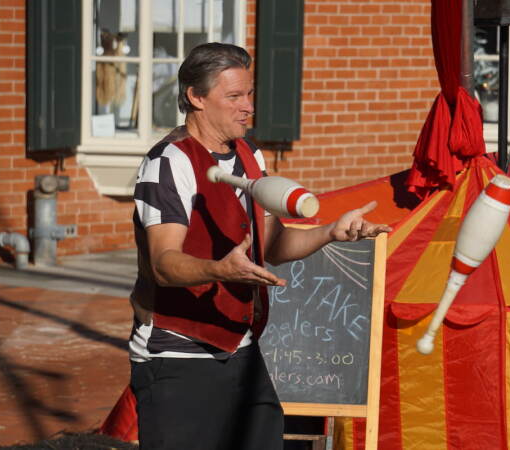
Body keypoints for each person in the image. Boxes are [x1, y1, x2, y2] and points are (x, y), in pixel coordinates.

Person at [129, 42, 391, 450]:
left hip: (242, 349)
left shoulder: (251, 156)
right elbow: (164, 263)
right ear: (196, 97)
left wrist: (329, 233)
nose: (248, 106)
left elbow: (272, 243)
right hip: (178, 356)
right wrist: (220, 270)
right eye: (234, 96)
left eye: (249, 94)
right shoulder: (169, 162)